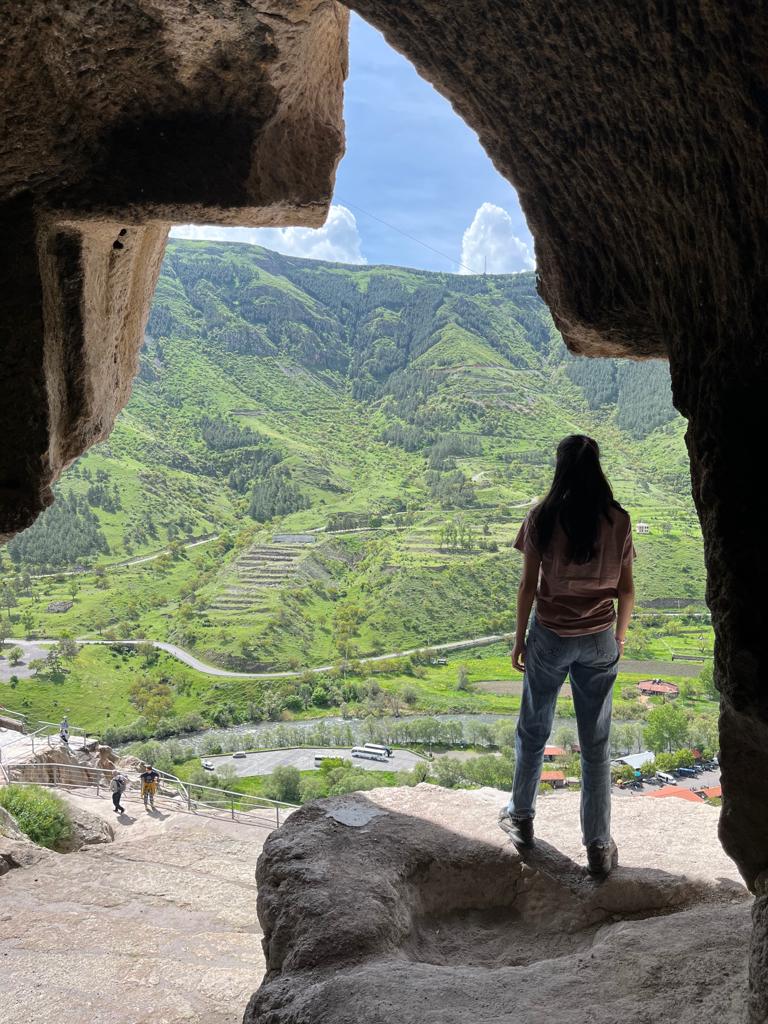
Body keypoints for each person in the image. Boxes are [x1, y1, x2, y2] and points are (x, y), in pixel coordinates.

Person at [499, 435, 635, 877]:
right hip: (599, 638)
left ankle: (521, 819)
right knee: (595, 745)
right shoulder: (618, 520)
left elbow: (527, 587)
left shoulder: (542, 517)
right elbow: (627, 589)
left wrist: (520, 638)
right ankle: (597, 846)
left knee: (533, 728)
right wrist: (618, 636)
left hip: (551, 636)